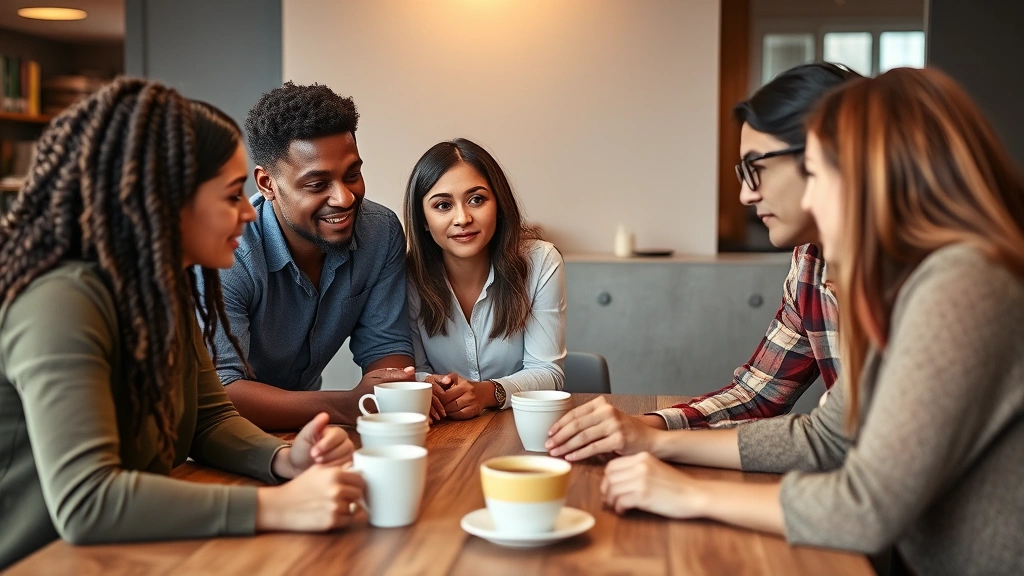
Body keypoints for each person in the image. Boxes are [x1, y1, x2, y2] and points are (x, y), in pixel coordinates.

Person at [598, 68, 1024, 575]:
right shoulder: (904, 285)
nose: (812, 201)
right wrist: (656, 440)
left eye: (818, 175)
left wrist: (687, 493)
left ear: (870, 176)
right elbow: (830, 436)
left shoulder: (961, 284)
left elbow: (866, 506)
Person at [0, 79, 368, 569]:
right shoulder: (60, 301)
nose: (247, 214)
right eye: (229, 195)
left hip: (132, 552)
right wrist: (274, 506)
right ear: (164, 202)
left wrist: (284, 460)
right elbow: (86, 501)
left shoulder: (161, 288)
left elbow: (209, 420)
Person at [546, 62, 860, 461]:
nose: (746, 195)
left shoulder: (920, 280)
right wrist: (649, 425)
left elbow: (836, 446)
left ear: (827, 156)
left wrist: (662, 447)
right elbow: (758, 395)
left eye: (756, 168)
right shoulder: (809, 265)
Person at [201, 82, 432, 430]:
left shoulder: (380, 232)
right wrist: (349, 405)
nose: (344, 198)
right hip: (220, 441)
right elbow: (222, 392)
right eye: (317, 184)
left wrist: (396, 392)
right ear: (267, 184)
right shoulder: (228, 252)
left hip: (308, 433)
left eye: (352, 175)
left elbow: (387, 350)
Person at [403, 138, 566, 420]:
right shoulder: (407, 276)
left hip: (521, 424)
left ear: (499, 205)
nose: (463, 218)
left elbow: (548, 372)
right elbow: (414, 370)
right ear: (424, 221)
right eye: (443, 205)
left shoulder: (540, 261)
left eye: (476, 199)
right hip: (443, 431)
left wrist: (486, 392)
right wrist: (426, 384)